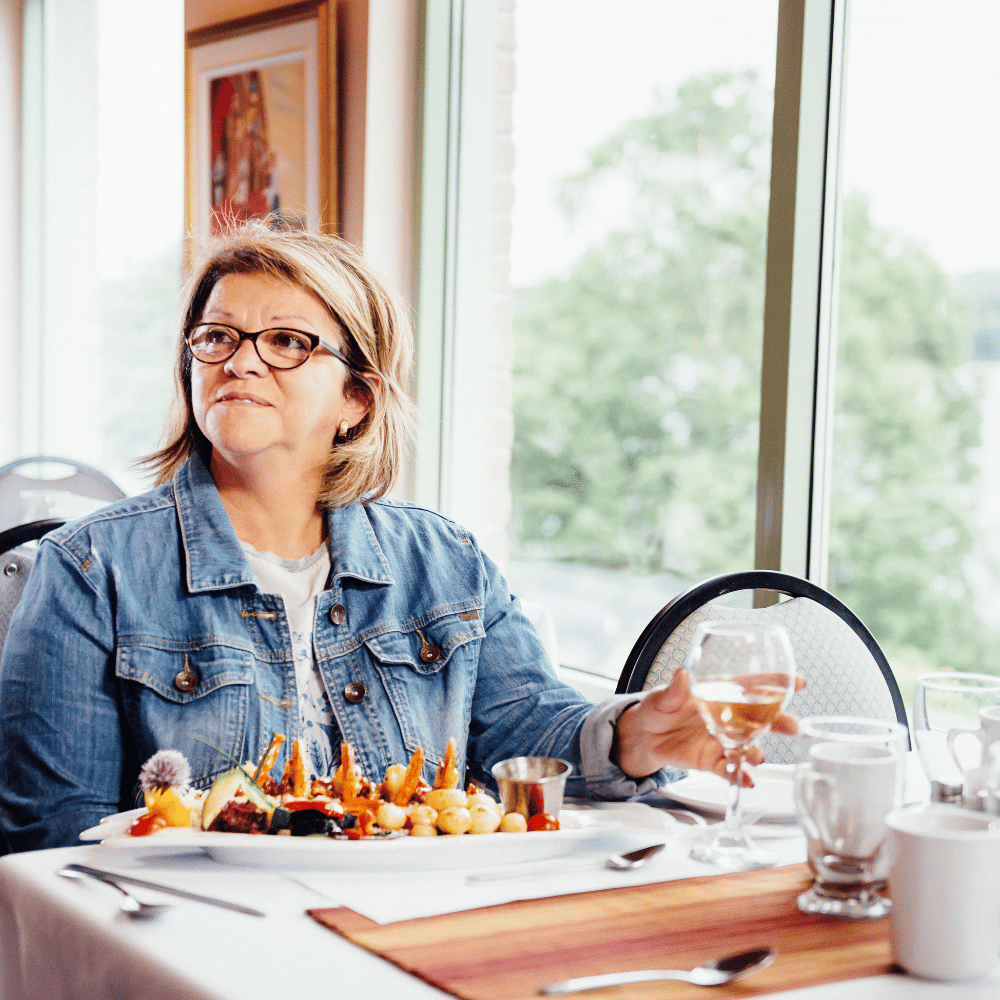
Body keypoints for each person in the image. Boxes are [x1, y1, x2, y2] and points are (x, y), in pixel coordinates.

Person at [0, 224, 799, 851]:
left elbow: (527, 727)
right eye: (218, 337)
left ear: (357, 398)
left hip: (415, 916)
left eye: (285, 342)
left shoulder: (446, 561)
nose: (240, 360)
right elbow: (52, 839)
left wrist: (631, 735)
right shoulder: (89, 566)